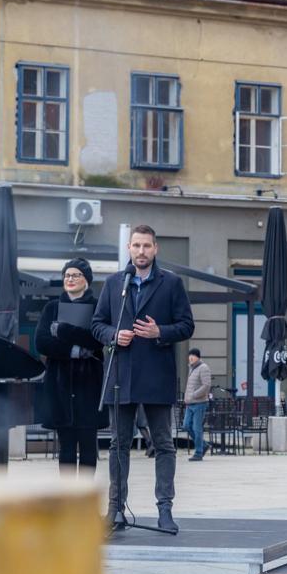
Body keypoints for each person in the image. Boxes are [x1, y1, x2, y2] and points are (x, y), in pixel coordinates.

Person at [92, 224, 195, 533]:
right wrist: (113, 334)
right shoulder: (114, 284)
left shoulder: (171, 284)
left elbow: (186, 326)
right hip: (120, 374)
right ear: (129, 249)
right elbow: (96, 325)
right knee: (118, 445)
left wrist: (159, 332)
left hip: (157, 375)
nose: (141, 251)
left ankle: (165, 510)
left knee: (164, 444)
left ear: (155, 249)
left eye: (146, 246)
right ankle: (115, 510)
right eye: (136, 246)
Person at [34, 258, 107, 477]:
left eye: (76, 275)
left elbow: (97, 339)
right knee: (65, 447)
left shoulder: (97, 307)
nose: (70, 279)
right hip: (60, 385)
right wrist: (74, 351)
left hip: (89, 384)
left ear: (87, 280)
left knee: (87, 446)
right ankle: (68, 504)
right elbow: (42, 342)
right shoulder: (51, 308)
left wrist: (64, 330)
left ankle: (84, 502)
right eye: (67, 275)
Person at [183, 348, 212, 462]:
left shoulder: (203, 368)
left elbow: (206, 385)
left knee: (197, 428)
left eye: (193, 356)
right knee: (186, 425)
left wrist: (194, 395)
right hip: (190, 403)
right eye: (190, 355)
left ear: (198, 357)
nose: (191, 358)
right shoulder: (192, 368)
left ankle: (198, 452)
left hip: (199, 403)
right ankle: (204, 445)